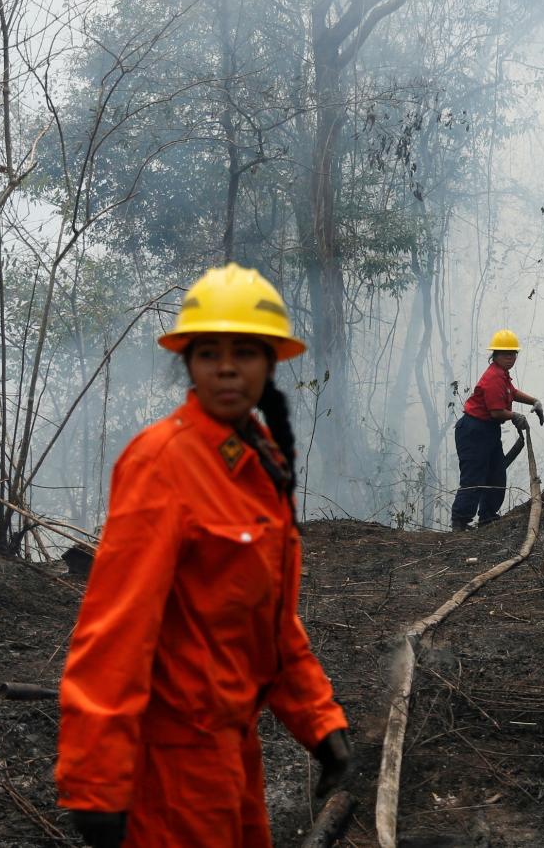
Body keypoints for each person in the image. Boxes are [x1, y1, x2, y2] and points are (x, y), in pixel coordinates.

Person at [56, 264, 350, 848]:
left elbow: (266, 618)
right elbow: (114, 632)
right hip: (172, 764)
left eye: (244, 351)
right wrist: (96, 784)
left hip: (233, 751)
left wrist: (320, 725)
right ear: (187, 362)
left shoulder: (255, 460)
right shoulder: (161, 464)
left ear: (270, 363)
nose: (225, 367)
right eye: (207, 351)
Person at [450, 329, 544, 532]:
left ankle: (487, 518)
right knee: (474, 477)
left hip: (488, 431)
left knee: (496, 474)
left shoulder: (502, 375)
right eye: (505, 354)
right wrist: (516, 416)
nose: (510, 358)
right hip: (474, 430)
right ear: (495, 355)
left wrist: (534, 400)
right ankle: (460, 522)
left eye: (513, 354)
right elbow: (495, 412)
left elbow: (512, 392)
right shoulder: (493, 377)